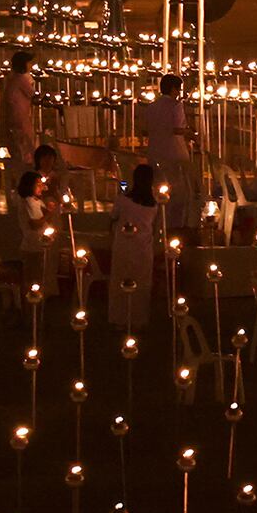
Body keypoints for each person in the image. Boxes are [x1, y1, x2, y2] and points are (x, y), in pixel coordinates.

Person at [142, 72, 197, 229]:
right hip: (174, 154)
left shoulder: (152, 106)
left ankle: (158, 223)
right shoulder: (176, 105)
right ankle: (176, 225)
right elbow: (177, 129)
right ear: (173, 89)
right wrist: (191, 134)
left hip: (154, 152)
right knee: (179, 193)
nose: (179, 93)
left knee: (158, 189)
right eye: (178, 89)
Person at [109, 163, 159, 327]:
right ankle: (138, 319)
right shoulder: (153, 204)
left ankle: (120, 319)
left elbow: (113, 216)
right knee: (141, 283)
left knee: (121, 281)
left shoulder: (123, 200)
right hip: (143, 248)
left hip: (124, 245)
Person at [5, 50, 38, 168]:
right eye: (29, 63)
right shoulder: (21, 79)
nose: (31, 65)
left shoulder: (12, 79)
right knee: (25, 145)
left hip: (15, 117)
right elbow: (32, 94)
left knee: (19, 145)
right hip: (20, 117)